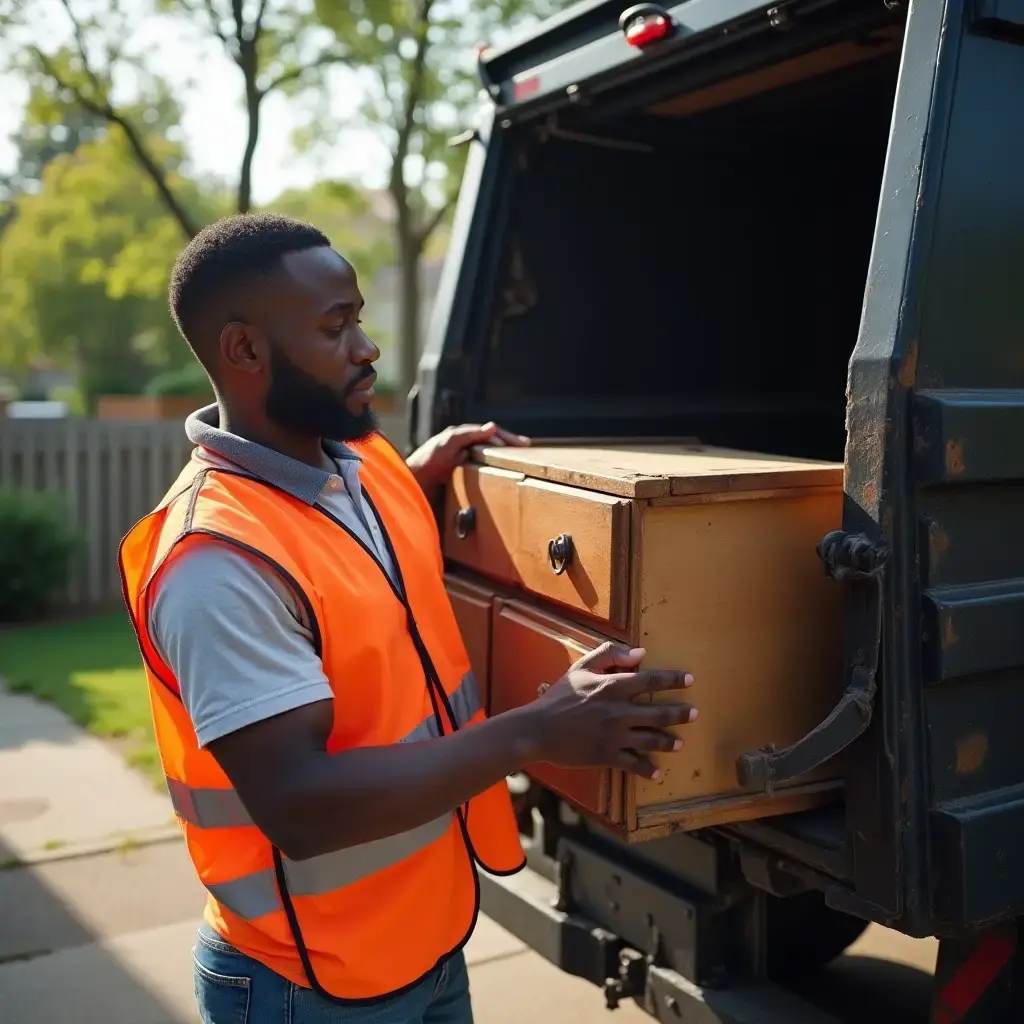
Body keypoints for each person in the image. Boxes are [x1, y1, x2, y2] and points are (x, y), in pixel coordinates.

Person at [119, 212, 698, 1024]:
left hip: (422, 941)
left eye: (358, 316)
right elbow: (300, 805)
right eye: (336, 326)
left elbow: (358, 555)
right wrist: (532, 732)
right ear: (245, 350)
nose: (368, 347)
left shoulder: (360, 467)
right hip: (306, 983)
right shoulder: (216, 565)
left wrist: (429, 472)